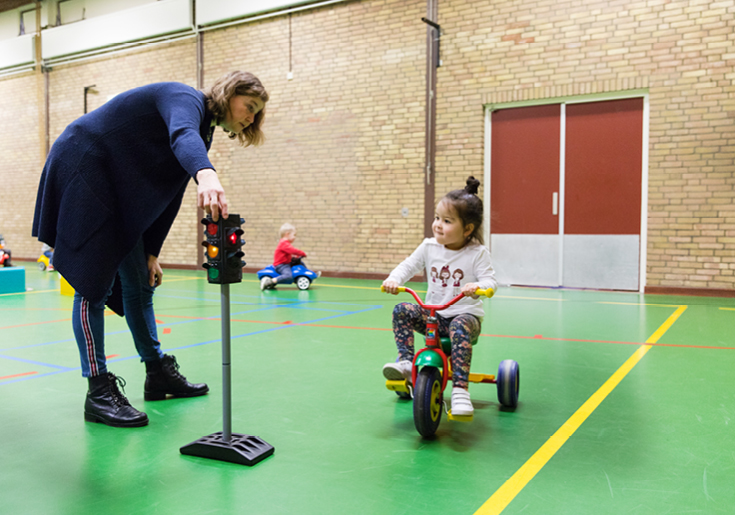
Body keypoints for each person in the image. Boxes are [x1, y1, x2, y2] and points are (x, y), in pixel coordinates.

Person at [32, 71, 269, 428]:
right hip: (85, 165)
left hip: (116, 188)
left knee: (141, 282)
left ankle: (157, 372)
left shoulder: (204, 130)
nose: (251, 117)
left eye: (257, 113)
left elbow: (169, 194)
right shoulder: (184, 99)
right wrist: (205, 173)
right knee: (91, 286)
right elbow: (182, 136)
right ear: (229, 93)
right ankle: (98, 391)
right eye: (249, 106)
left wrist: (152, 251)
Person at [381, 176, 497, 417]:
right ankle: (405, 362)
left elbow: (490, 281)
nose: (438, 225)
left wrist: (478, 286)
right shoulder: (429, 246)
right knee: (402, 310)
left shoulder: (477, 253)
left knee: (460, 325)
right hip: (434, 315)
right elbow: (408, 266)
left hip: (465, 318)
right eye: (437, 218)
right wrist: (394, 279)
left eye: (447, 221)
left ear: (467, 229)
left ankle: (461, 391)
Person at [260, 223, 307, 290]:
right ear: (287, 234)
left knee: (300, 263)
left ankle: (306, 273)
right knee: (288, 276)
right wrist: (302, 253)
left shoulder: (285, 243)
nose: (295, 237)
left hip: (286, 262)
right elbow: (292, 250)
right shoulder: (284, 243)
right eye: (294, 235)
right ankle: (270, 281)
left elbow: (289, 252)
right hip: (281, 265)